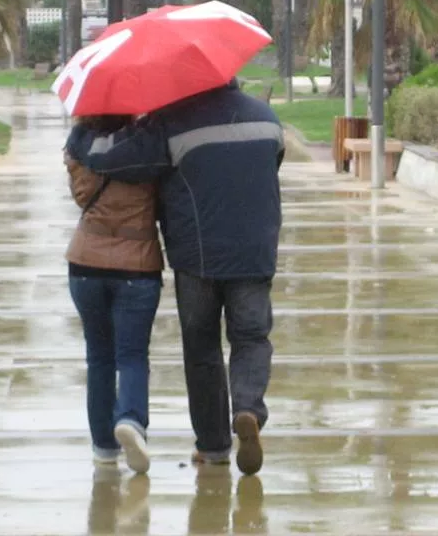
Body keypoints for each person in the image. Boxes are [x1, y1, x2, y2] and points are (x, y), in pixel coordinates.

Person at [64, 79, 284, 476]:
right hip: (254, 252)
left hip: (195, 255)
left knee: (202, 348)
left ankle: (213, 446)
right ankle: (248, 408)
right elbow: (271, 167)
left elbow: (113, 159)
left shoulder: (177, 123)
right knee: (251, 338)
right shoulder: (267, 118)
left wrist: (80, 136)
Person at [64, 114, 164, 474]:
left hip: (85, 264)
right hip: (136, 266)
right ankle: (131, 420)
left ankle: (104, 447)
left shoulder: (78, 143)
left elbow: (80, 197)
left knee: (99, 357)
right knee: (133, 355)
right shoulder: (150, 146)